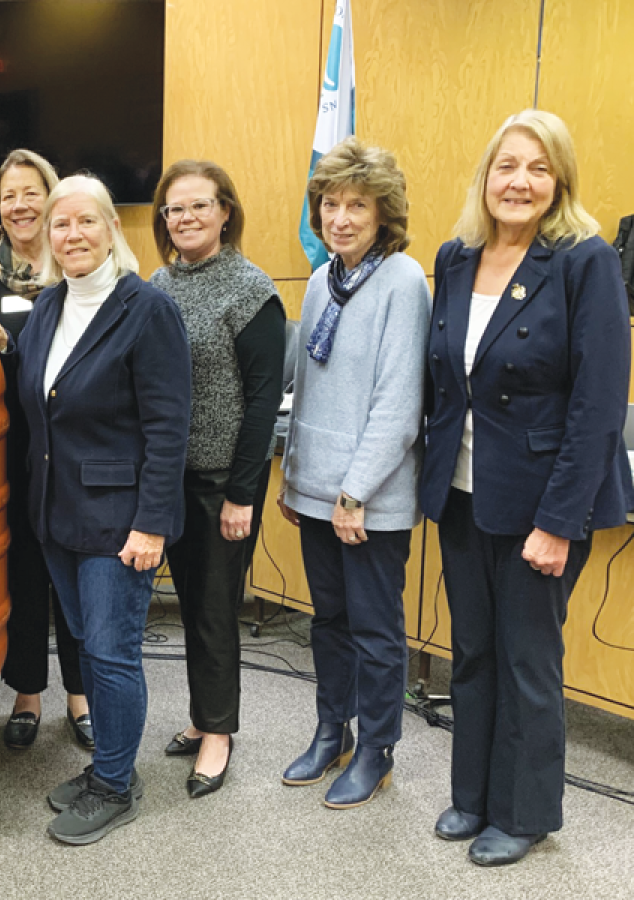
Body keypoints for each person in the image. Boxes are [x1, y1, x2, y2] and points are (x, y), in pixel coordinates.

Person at [420, 110, 632, 867]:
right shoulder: (454, 257)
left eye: (539, 168)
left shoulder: (584, 260)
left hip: (543, 504)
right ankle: (473, 795)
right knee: (471, 652)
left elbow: (600, 405)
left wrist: (560, 521)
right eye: (507, 165)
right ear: (486, 175)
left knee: (527, 662)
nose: (520, 181)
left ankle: (526, 811)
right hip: (465, 494)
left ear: (560, 182)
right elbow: (444, 382)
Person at [0, 174, 190, 845]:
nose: (72, 235)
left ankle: (114, 785)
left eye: (86, 222)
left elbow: (169, 425)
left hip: (119, 521)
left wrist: (151, 523)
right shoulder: (52, 304)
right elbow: (42, 384)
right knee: (88, 644)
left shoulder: (145, 309)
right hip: (54, 513)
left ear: (112, 229)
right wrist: (3, 344)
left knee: (112, 653)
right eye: (62, 226)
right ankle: (108, 770)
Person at [278, 138, 430, 809]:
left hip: (369, 499)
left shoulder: (403, 281)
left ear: (383, 213)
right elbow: (307, 390)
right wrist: (295, 483)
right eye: (330, 204)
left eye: (357, 206)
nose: (340, 218)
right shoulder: (319, 280)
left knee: (374, 630)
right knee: (328, 623)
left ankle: (377, 751)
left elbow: (400, 403)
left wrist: (352, 492)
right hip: (317, 492)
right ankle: (330, 732)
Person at [148, 160, 285, 797]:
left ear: (225, 211)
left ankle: (219, 734)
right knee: (188, 607)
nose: (186, 219)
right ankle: (204, 718)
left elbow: (262, 401)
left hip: (221, 482)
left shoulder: (252, 289)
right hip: (167, 479)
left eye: (200, 206)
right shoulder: (157, 285)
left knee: (213, 612)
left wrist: (241, 494)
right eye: (175, 210)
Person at [0, 149, 90, 751]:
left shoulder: (80, 265)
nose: (20, 205)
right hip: (7, 446)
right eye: (8, 194)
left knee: (75, 571)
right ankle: (27, 694)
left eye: (31, 192)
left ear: (52, 196)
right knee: (23, 572)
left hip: (72, 447)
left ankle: (81, 696)